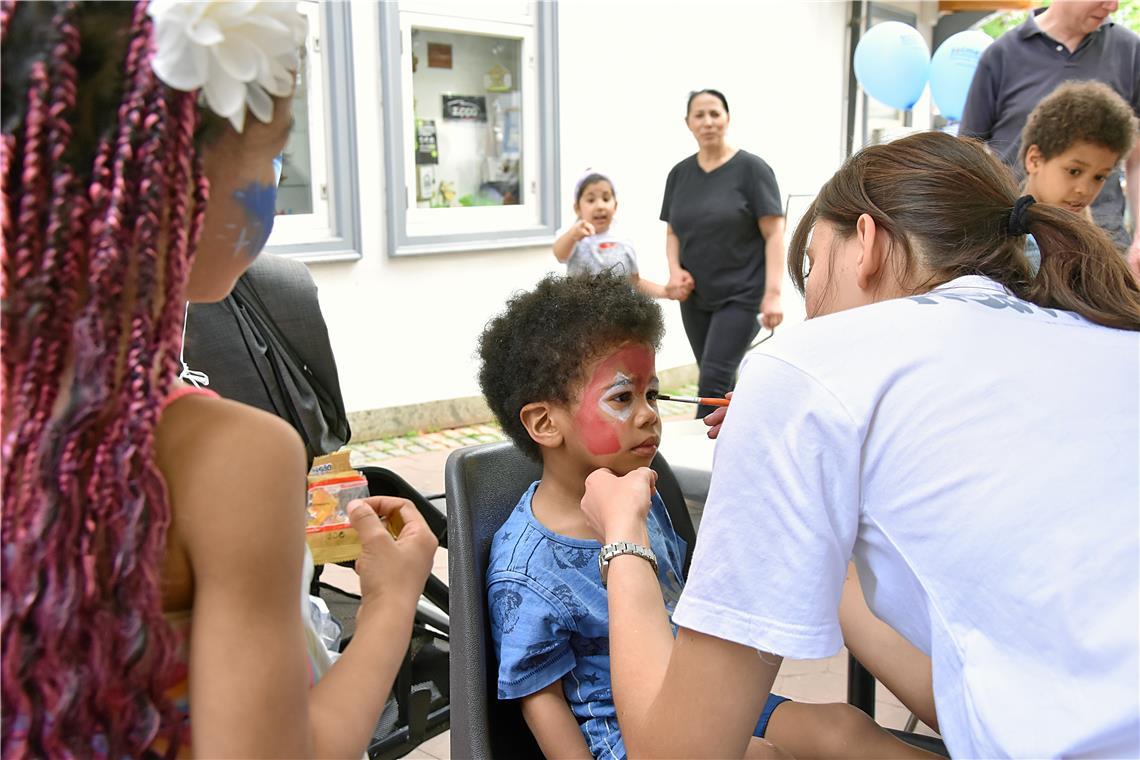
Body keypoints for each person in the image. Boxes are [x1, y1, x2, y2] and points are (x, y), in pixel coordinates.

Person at [578, 131, 1140, 758]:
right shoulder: (1104, 337)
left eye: (812, 267)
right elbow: (986, 698)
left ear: (866, 242)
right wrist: (816, 497)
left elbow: (676, 753)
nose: (812, 309)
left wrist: (622, 534)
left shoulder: (809, 367)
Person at [0, 3, 436, 756]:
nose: (274, 183)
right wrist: (393, 603)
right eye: (272, 157)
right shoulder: (225, 455)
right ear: (168, 182)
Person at [476, 273, 936, 760]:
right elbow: (541, 703)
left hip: (695, 694)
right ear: (545, 423)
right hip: (621, 738)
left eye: (651, 394)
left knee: (843, 729)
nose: (649, 414)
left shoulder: (644, 494)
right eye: (621, 398)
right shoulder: (523, 570)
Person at [959, 0, 1140, 275]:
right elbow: (967, 154)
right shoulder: (1001, 54)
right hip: (1013, 242)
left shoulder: (1131, 51)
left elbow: (1137, 158)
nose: (1113, 6)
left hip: (1103, 246)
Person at [661, 89, 786, 417]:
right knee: (719, 375)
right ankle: (745, 436)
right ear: (688, 123)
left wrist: (772, 295)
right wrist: (674, 270)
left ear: (727, 118)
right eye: (699, 115)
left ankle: (708, 460)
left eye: (715, 113)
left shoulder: (752, 170)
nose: (708, 122)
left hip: (743, 295)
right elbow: (673, 230)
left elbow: (774, 234)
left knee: (713, 381)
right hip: (695, 298)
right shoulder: (679, 174)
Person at [1018, 80, 1138, 268]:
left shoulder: (1095, 252)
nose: (1085, 189)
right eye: (1074, 171)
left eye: (1099, 177)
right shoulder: (1001, 239)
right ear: (1034, 160)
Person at [553, 170, 679, 300]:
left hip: (617, 317)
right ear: (577, 208)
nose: (600, 206)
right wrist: (573, 236)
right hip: (581, 314)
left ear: (615, 205)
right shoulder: (573, 237)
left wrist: (665, 292)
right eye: (591, 200)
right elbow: (560, 254)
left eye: (606, 199)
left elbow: (635, 283)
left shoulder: (623, 240)